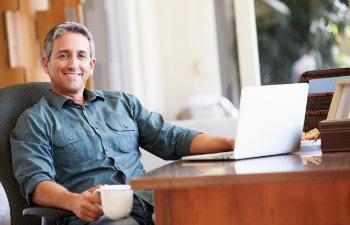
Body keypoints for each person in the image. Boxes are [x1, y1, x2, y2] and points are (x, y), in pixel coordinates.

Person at [10, 22, 234, 225]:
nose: (73, 63)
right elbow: (36, 182)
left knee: (218, 211)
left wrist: (231, 143)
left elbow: (171, 138)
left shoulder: (122, 103)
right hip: (98, 215)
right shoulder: (34, 120)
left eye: (81, 55)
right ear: (46, 64)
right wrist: (73, 201)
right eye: (63, 55)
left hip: (151, 202)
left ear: (91, 64)